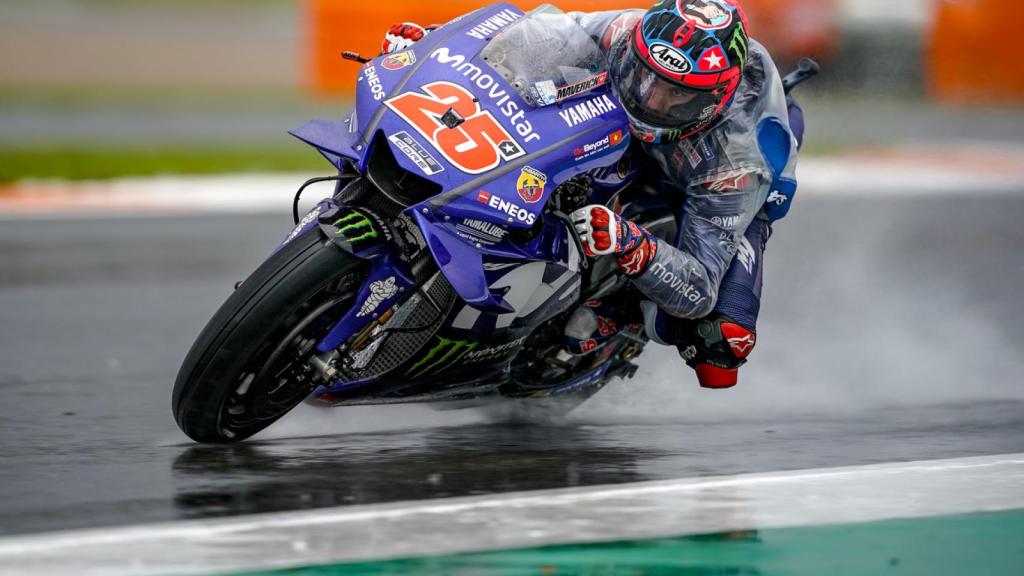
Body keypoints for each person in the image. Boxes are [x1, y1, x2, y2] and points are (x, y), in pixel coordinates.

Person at [381, 0, 801, 389]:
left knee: (721, 345)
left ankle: (615, 315)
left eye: (677, 93)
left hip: (713, 173)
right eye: (646, 76)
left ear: (713, 100)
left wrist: (632, 244)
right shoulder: (626, 31)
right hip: (632, 127)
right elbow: (524, 40)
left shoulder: (735, 163)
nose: (651, 98)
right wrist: (433, 47)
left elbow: (699, 288)